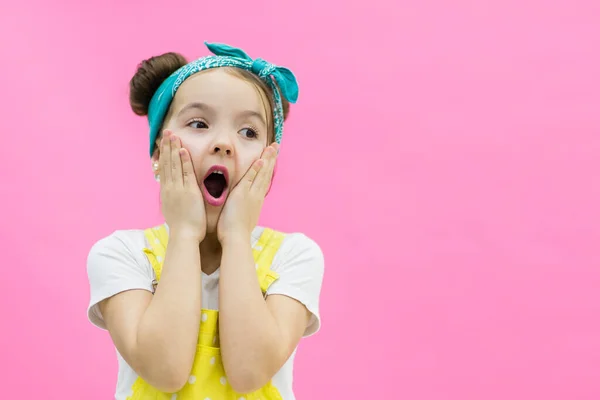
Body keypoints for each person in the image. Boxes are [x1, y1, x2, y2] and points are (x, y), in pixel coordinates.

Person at [86, 42, 325, 400]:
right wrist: (183, 233)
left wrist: (237, 236)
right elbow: (164, 370)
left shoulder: (293, 256)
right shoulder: (123, 253)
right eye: (199, 123)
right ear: (157, 152)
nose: (224, 144)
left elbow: (250, 372)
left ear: (269, 159)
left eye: (248, 132)